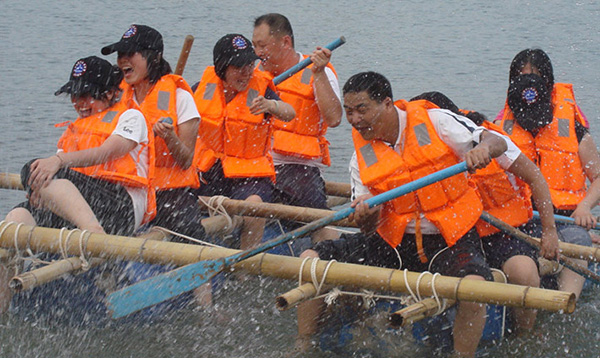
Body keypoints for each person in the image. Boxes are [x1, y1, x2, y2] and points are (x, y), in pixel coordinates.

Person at [296, 72, 509, 358]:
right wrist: (365, 213)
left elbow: (497, 141)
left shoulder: (436, 122)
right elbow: (369, 227)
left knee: (474, 290)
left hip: (449, 240)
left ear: (386, 104)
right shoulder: (360, 152)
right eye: (348, 111)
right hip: (394, 243)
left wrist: (482, 149)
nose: (355, 119)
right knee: (310, 261)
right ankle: (302, 346)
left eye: (362, 109)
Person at [1, 56, 153, 313]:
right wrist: (38, 190)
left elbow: (108, 151)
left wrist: (57, 161)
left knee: (35, 168)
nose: (79, 103)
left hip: (119, 208)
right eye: (74, 96)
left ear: (108, 93)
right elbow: (51, 178)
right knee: (16, 218)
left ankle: (97, 241)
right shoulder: (75, 129)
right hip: (80, 207)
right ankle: (4, 306)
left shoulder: (130, 117)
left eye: (87, 96)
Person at [411, 91, 560, 334]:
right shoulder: (419, 152)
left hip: (501, 232)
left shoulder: (485, 140)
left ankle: (524, 335)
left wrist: (550, 232)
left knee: (523, 271)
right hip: (453, 236)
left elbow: (536, 178)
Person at [496, 48, 600, 299]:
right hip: (522, 219)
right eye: (521, 77)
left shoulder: (573, 128)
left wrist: (585, 207)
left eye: (536, 77)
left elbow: (597, 177)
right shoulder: (499, 131)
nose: (528, 83)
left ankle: (565, 303)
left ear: (549, 84)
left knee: (576, 243)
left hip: (567, 221)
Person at [101, 24, 205, 242]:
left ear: (154, 57)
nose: (122, 61)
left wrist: (170, 138)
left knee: (188, 229)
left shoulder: (180, 98)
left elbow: (186, 160)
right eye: (120, 55)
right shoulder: (115, 96)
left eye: (130, 54)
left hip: (169, 191)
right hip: (127, 188)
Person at [192, 34, 295, 250]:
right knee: (178, 199)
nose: (246, 72)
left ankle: (244, 266)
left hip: (249, 177)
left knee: (255, 206)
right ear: (221, 68)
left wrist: (271, 106)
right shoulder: (200, 88)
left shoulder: (261, 92)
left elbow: (289, 113)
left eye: (250, 65)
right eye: (238, 66)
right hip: (210, 171)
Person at [252, 14, 342, 243]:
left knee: (317, 216)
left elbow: (334, 119)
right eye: (254, 46)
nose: (257, 52)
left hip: (298, 166)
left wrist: (319, 73)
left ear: (285, 43)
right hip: (258, 164)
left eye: (262, 45)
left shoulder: (318, 71)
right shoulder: (253, 74)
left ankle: (327, 252)